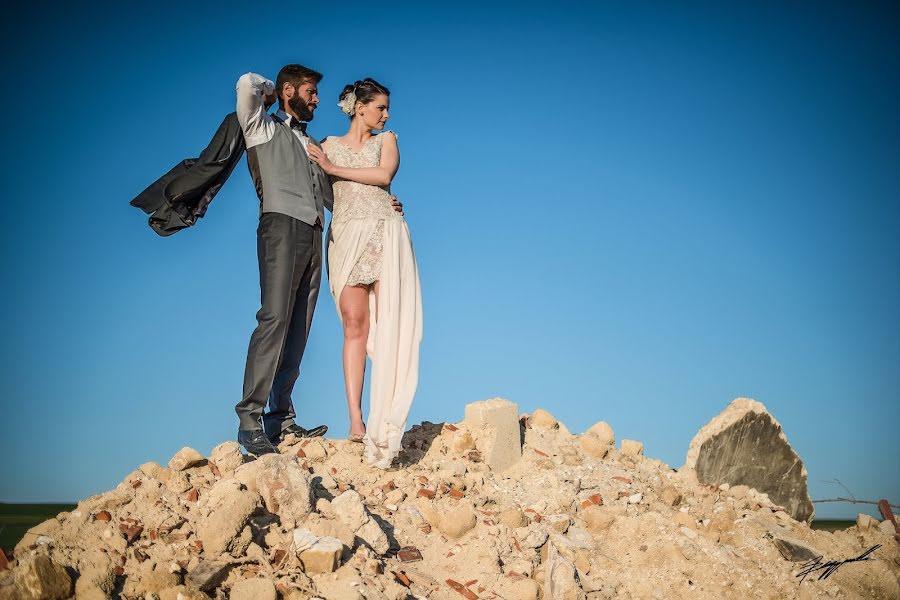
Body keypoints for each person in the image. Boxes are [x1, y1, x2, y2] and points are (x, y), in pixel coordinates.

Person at [233, 65, 403, 456]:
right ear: (290, 89)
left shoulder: (315, 146)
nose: (317, 99)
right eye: (310, 91)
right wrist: (272, 91)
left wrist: (384, 202)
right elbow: (246, 85)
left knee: (298, 328)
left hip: (315, 234)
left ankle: (281, 419)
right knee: (274, 319)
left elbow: (338, 196)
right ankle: (250, 420)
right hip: (279, 228)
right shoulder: (262, 126)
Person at [308, 78, 423, 469]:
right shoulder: (325, 145)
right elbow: (322, 191)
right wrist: (329, 171)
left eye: (387, 109)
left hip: (384, 231)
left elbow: (384, 176)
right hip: (346, 235)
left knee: (389, 325)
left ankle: (385, 418)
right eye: (380, 107)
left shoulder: (386, 139)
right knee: (354, 324)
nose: (387, 114)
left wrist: (333, 168)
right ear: (360, 107)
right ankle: (356, 418)